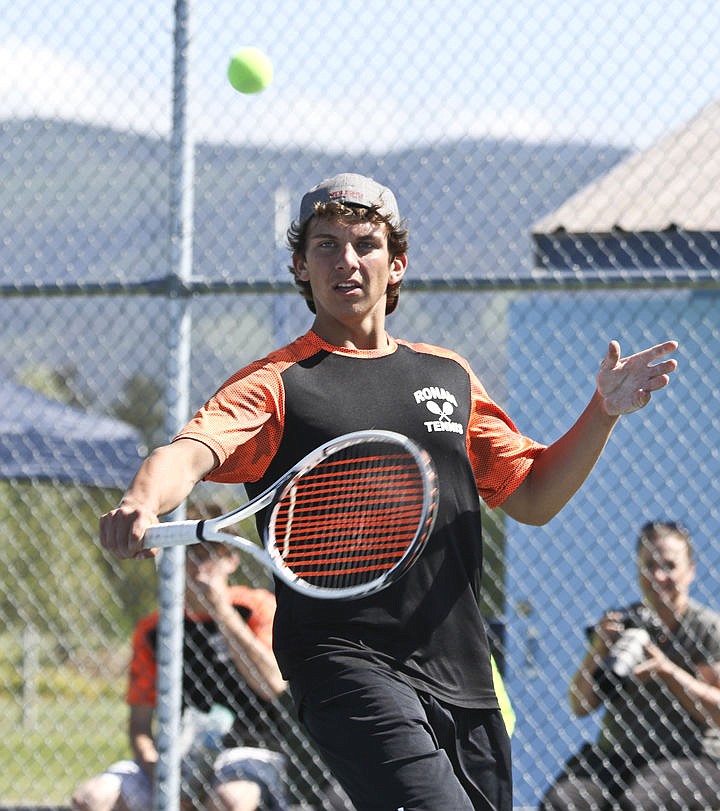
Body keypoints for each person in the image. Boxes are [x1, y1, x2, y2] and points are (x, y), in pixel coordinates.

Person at [99, 172, 678, 811]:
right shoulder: (275, 384)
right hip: (344, 663)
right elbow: (188, 451)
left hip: (462, 672)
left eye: (365, 243)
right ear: (300, 263)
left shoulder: (448, 376)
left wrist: (601, 412)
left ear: (396, 263)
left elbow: (533, 496)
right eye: (325, 244)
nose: (346, 260)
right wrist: (142, 500)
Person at [72, 509, 291, 811]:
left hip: (248, 749)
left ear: (232, 560)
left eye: (212, 554)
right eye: (191, 553)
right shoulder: (155, 629)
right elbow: (139, 725)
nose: (200, 566)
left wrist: (220, 610)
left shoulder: (256, 608)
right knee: (91, 797)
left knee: (230, 799)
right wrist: (161, 772)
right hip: (177, 756)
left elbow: (272, 684)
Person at [539, 520, 720, 810]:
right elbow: (581, 705)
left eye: (670, 566)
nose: (658, 575)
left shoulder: (707, 629)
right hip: (618, 755)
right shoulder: (624, 623)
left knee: (641, 803)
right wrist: (599, 649)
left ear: (691, 571)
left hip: (690, 756)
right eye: (649, 565)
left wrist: (668, 671)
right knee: (562, 803)